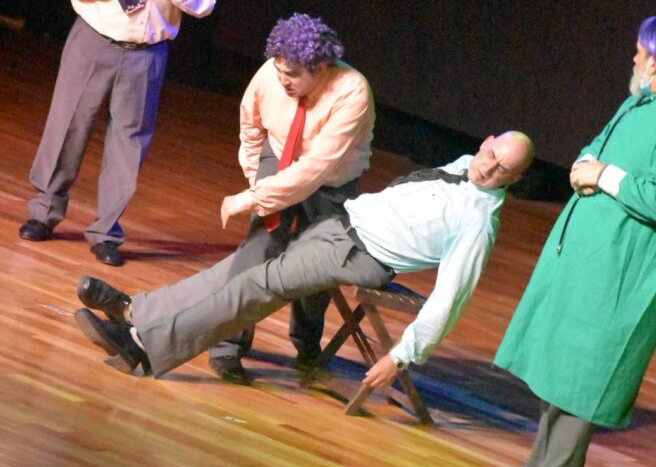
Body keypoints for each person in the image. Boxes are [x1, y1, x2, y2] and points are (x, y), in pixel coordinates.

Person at [72, 131, 535, 386]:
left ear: (515, 179)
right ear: (486, 141)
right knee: (243, 267)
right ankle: (136, 310)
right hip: (340, 226)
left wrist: (402, 356)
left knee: (259, 285)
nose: (489, 167)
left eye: (503, 169)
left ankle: (143, 345)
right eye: (491, 154)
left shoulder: (478, 223)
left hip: (358, 253)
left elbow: (450, 298)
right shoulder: (464, 165)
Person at [471, 15, 656, 467]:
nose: (633, 57)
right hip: (590, 265)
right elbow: (598, 152)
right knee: (562, 382)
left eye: (640, 51)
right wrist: (586, 166)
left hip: (620, 275)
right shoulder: (640, 103)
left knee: (579, 389)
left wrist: (604, 175)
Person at [19, 0, 217, 267]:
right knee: (68, 126)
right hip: (94, 39)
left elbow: (205, 1)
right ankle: (44, 212)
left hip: (147, 52)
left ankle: (106, 231)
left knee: (129, 143)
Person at [210, 12, 375, 384]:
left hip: (331, 178)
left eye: (294, 74)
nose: (283, 79)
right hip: (280, 153)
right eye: (279, 70)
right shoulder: (271, 73)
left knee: (318, 261)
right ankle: (227, 345)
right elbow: (250, 126)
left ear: (322, 68)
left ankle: (307, 345)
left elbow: (314, 169)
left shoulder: (352, 91)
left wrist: (249, 199)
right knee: (259, 248)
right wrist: (257, 182)